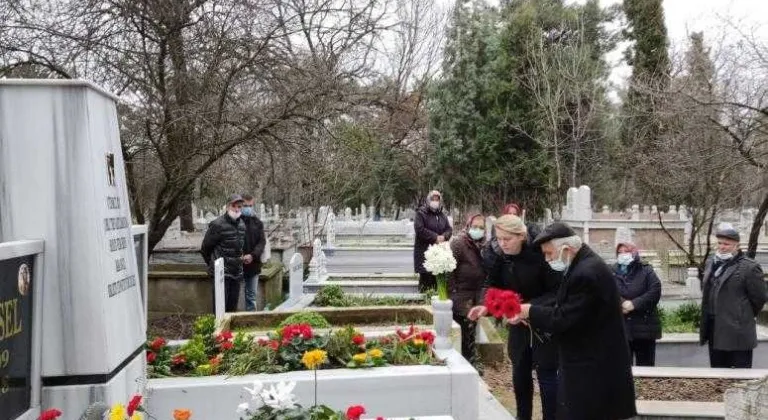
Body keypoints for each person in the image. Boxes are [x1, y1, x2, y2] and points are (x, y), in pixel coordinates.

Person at [513, 222, 637, 420]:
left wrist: (530, 311)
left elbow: (564, 318)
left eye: (549, 253)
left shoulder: (586, 273)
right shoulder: (582, 264)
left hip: (593, 367)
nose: (547, 259)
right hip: (588, 361)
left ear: (566, 249)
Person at [467, 215, 561, 420]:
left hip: (543, 322)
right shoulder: (502, 256)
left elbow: (556, 292)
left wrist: (528, 309)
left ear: (521, 236)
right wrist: (486, 307)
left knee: (546, 376)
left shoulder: (540, 255)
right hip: (517, 324)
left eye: (507, 239)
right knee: (520, 374)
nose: (502, 244)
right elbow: (493, 285)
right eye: (499, 239)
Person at [699, 224, 767, 368]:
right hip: (715, 330)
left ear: (736, 245)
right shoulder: (711, 263)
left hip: (738, 333)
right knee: (718, 377)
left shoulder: (749, 267)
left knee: (740, 379)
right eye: (720, 243)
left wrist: (742, 314)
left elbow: (759, 298)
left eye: (726, 244)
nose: (722, 247)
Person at [612, 242, 662, 366]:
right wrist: (622, 304)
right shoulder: (611, 271)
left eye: (626, 251)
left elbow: (655, 290)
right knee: (622, 369)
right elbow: (606, 291)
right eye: (620, 252)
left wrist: (634, 304)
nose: (623, 255)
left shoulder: (646, 270)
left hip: (644, 329)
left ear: (634, 253)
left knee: (646, 368)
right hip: (621, 329)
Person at [448, 213, 486, 364]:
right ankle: (463, 362)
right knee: (463, 330)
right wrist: (453, 292)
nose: (478, 230)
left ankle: (470, 360)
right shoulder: (459, 243)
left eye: (481, 227)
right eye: (475, 226)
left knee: (471, 331)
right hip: (460, 294)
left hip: (476, 294)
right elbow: (449, 268)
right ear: (468, 226)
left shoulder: (484, 245)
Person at [200, 194, 246, 312]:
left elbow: (240, 248)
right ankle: (219, 330)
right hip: (222, 274)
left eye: (239, 207)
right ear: (227, 207)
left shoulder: (242, 225)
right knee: (220, 310)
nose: (236, 209)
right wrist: (214, 265)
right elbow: (205, 248)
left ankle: (229, 331)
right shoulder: (217, 225)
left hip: (236, 273)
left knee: (232, 310)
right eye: (234, 206)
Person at [413, 190, 452, 292]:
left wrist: (444, 236)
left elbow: (448, 229)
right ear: (428, 200)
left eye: (437, 199)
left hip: (439, 253)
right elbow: (420, 229)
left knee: (438, 281)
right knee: (426, 282)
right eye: (433, 199)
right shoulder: (421, 213)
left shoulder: (442, 215)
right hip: (424, 253)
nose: (435, 201)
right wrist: (435, 237)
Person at [241, 194, 266, 311]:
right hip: (237, 264)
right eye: (245, 205)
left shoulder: (257, 223)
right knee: (233, 296)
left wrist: (252, 255)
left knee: (251, 296)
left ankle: (249, 320)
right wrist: (240, 256)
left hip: (253, 264)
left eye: (250, 206)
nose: (248, 208)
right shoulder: (235, 222)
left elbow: (261, 242)